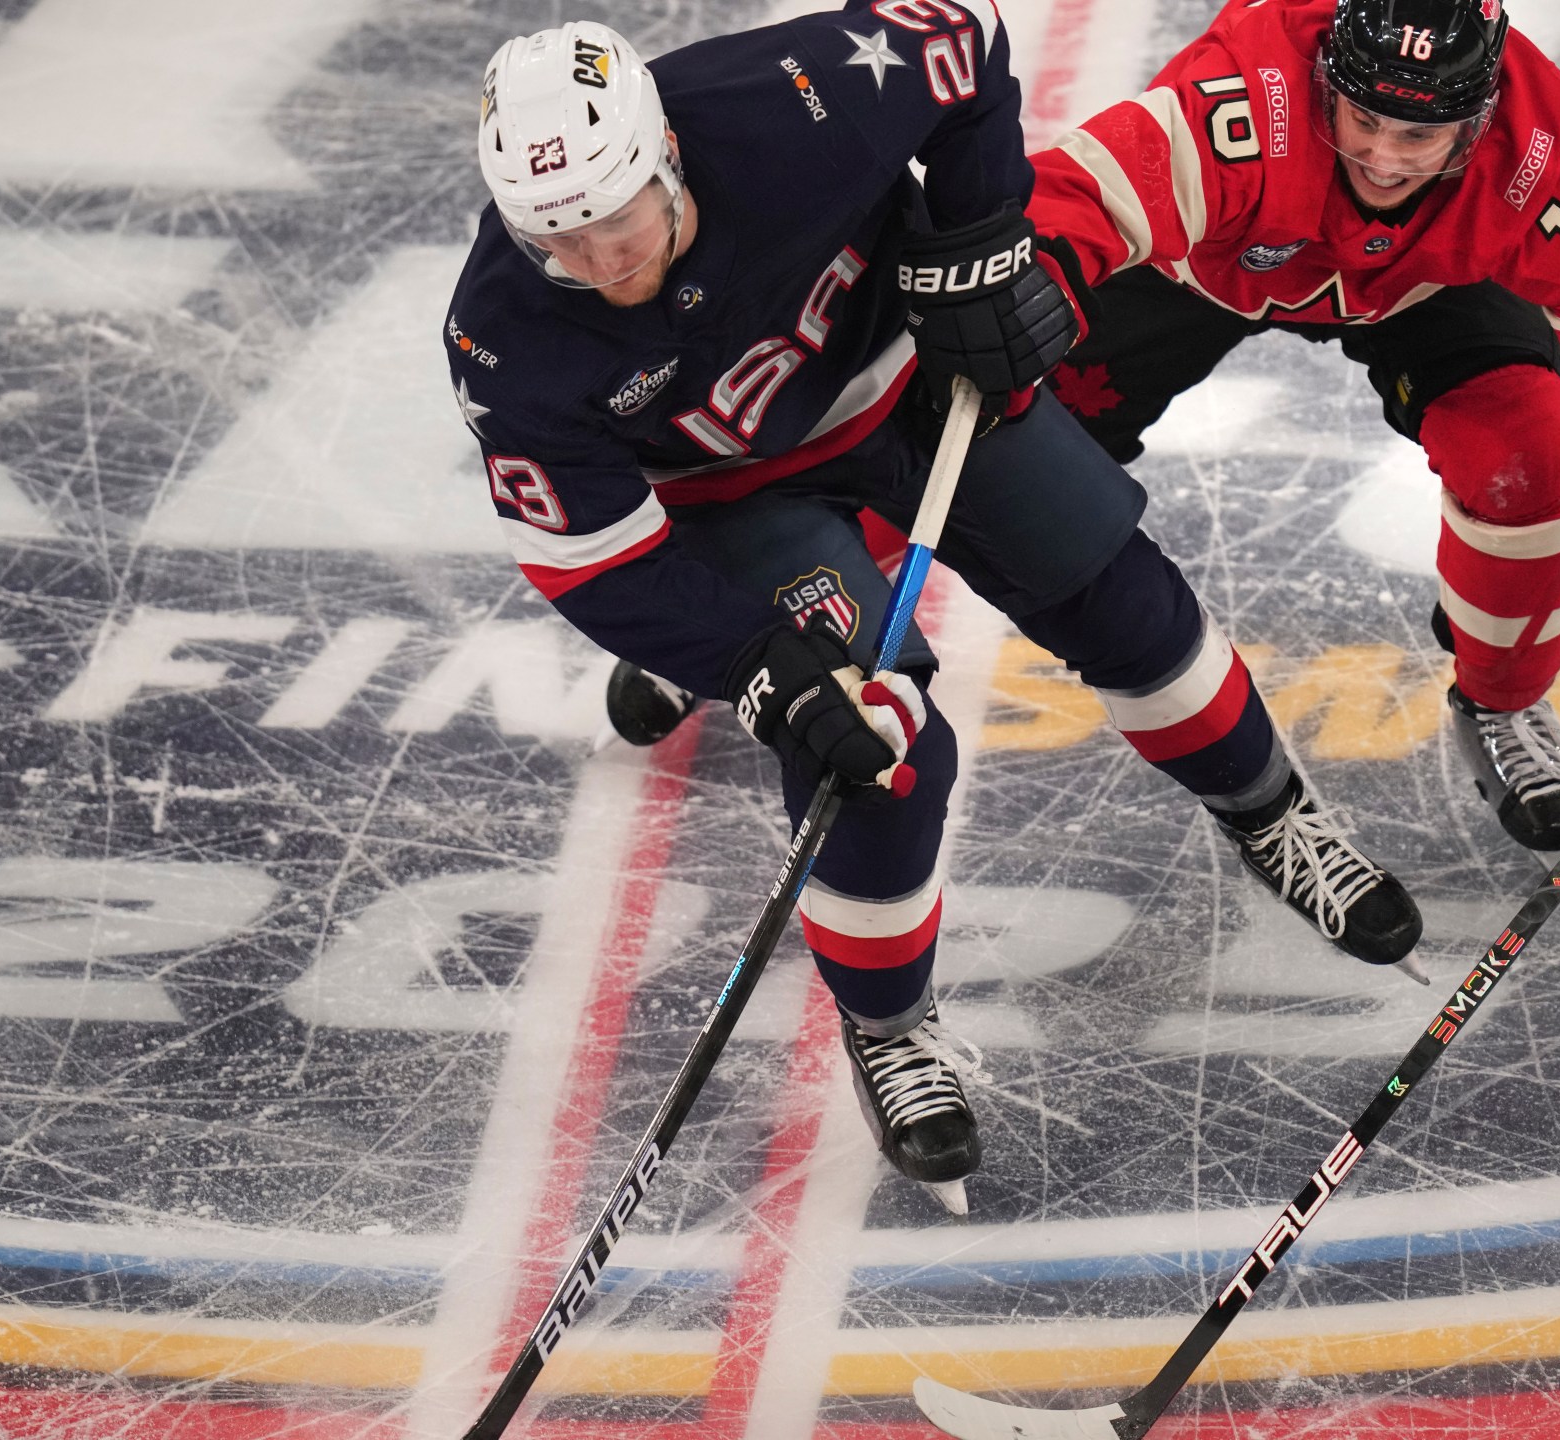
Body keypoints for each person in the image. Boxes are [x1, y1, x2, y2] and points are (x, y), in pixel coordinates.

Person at [450, 10, 1425, 1210]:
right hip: (737, 499)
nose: (603, 261)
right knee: (879, 745)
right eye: (562, 240)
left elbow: (962, 37)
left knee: (1118, 597)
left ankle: (1270, 813)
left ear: (666, 157)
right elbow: (596, 565)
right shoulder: (502, 339)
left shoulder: (788, 96)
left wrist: (973, 244)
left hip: (913, 386)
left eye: (619, 217)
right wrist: (758, 665)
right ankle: (890, 1027)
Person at [1026, 0, 1560, 850]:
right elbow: (1074, 197)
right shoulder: (1246, 96)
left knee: (1528, 450)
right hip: (1201, 261)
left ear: (1482, 119)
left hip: (1427, 285)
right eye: (1363, 117)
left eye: (1418, 135)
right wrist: (1025, 283)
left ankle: (1502, 701)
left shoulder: (1539, 145)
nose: (1380, 155)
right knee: (1001, 452)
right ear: (1326, 72)